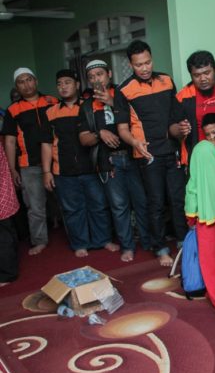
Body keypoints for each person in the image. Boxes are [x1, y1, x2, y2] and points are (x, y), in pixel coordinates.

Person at [115, 40, 187, 267]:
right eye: (139, 65)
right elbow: (122, 129)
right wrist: (135, 143)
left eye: (147, 62)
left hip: (172, 150)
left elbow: (175, 116)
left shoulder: (166, 80)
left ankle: (184, 241)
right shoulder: (124, 90)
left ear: (152, 59)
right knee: (155, 203)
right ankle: (161, 248)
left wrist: (181, 130)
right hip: (147, 154)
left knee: (178, 199)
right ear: (131, 65)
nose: (144, 68)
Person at [79, 59, 151, 262]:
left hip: (133, 156)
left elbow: (140, 118)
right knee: (119, 207)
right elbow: (83, 138)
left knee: (142, 202)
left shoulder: (123, 93)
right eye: (91, 77)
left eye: (100, 74)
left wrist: (112, 102)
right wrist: (99, 133)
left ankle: (148, 241)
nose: (96, 79)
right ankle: (127, 246)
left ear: (109, 74)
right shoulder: (87, 105)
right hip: (109, 161)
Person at [41, 70, 117, 258]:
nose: (63, 87)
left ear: (77, 84)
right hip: (63, 170)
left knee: (99, 205)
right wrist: (46, 172)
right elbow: (47, 144)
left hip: (91, 166)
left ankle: (103, 240)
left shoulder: (89, 105)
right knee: (72, 210)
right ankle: (80, 244)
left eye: (67, 82)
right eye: (59, 84)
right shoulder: (50, 112)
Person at [1, 67, 58, 255]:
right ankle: (39, 240)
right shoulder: (13, 110)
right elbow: (9, 141)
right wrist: (12, 169)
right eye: (21, 82)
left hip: (57, 160)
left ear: (36, 81)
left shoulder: (51, 101)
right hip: (29, 164)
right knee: (35, 206)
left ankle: (74, 234)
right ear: (17, 87)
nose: (26, 85)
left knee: (66, 201)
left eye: (29, 79)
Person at [185, 140, 215, 310]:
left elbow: (191, 210)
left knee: (210, 265)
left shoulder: (193, 182)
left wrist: (191, 221)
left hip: (206, 227)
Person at [171, 50, 215, 165]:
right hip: (200, 159)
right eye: (197, 75)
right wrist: (180, 129)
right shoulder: (183, 96)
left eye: (207, 73)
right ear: (191, 75)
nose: (203, 79)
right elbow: (171, 126)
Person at [0, 143, 20, 286]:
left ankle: (7, 275)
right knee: (7, 232)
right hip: (5, 197)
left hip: (2, 200)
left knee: (3, 237)